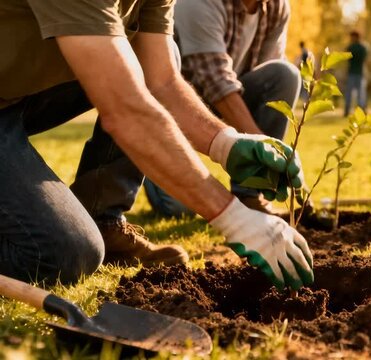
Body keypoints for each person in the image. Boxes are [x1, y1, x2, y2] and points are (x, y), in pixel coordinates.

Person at [0, 0, 314, 292]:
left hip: (15, 96)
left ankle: (103, 219)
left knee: (148, 56)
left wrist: (226, 144)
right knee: (61, 254)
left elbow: (161, 81)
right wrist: (234, 217)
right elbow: (127, 110)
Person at [142, 0, 302, 217]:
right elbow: (215, 81)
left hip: (228, 98)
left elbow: (266, 71)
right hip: (177, 107)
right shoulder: (199, 3)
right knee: (180, 209)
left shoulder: (276, 7)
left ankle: (250, 193)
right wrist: (267, 151)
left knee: (284, 75)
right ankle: (151, 170)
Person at [344, 30, 369, 117]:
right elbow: (365, 59)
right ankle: (361, 111)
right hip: (359, 73)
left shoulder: (350, 47)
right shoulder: (363, 48)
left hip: (354, 73)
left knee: (350, 93)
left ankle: (347, 110)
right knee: (360, 94)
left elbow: (347, 58)